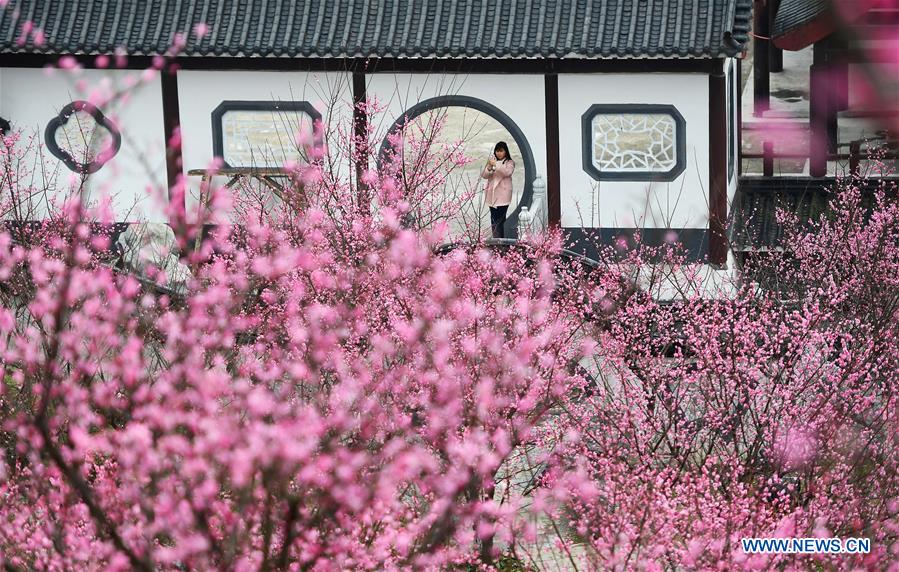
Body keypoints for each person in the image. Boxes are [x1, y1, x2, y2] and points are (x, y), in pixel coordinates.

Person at [481, 141, 515, 239]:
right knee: (493, 219)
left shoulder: (510, 162)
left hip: (503, 196)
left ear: (505, 152)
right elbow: (484, 175)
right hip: (492, 195)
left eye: (501, 151)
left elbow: (507, 172)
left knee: (500, 220)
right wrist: (489, 167)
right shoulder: (492, 161)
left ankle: (501, 240)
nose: (498, 153)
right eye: (497, 151)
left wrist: (496, 164)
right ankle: (496, 240)